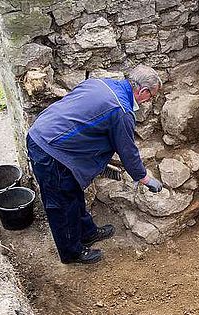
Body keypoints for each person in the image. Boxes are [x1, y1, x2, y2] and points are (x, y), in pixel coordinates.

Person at [26, 65, 164, 264]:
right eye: (150, 96)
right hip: (48, 148)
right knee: (61, 204)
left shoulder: (101, 84)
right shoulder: (121, 110)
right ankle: (71, 252)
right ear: (142, 91)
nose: (148, 101)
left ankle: (87, 233)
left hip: (50, 134)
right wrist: (144, 178)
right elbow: (127, 150)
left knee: (72, 191)